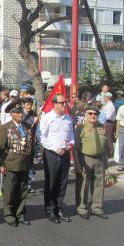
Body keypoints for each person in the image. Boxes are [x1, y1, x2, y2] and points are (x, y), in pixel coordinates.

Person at [0, 99, 33, 227]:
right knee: (10, 191)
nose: (20, 114)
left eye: (21, 111)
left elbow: (30, 146)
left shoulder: (27, 127)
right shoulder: (5, 128)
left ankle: (20, 214)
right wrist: (1, 165)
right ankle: (9, 215)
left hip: (24, 163)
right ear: (11, 113)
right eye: (17, 112)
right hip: (11, 164)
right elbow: (1, 148)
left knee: (23, 191)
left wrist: (31, 163)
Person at [39, 94, 74, 224]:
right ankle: (50, 209)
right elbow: (41, 137)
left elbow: (70, 134)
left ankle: (59, 208)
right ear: (54, 104)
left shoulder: (67, 118)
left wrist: (71, 143)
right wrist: (55, 148)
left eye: (65, 102)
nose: (65, 105)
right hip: (52, 154)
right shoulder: (47, 118)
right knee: (52, 182)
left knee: (62, 182)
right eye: (62, 103)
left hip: (64, 153)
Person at [73, 105, 108, 220]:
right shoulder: (80, 128)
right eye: (90, 113)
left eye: (95, 114)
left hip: (99, 159)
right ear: (86, 115)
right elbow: (76, 147)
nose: (93, 116)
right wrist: (77, 164)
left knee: (98, 184)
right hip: (86, 158)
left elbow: (105, 145)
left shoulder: (101, 127)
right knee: (84, 184)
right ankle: (82, 208)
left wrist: (106, 162)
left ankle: (96, 208)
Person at [101, 92, 116, 157]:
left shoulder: (110, 105)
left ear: (107, 98)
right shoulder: (107, 105)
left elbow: (108, 116)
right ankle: (108, 152)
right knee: (106, 137)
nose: (104, 98)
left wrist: (102, 119)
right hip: (106, 122)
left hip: (109, 122)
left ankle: (111, 152)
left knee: (108, 138)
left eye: (104, 97)